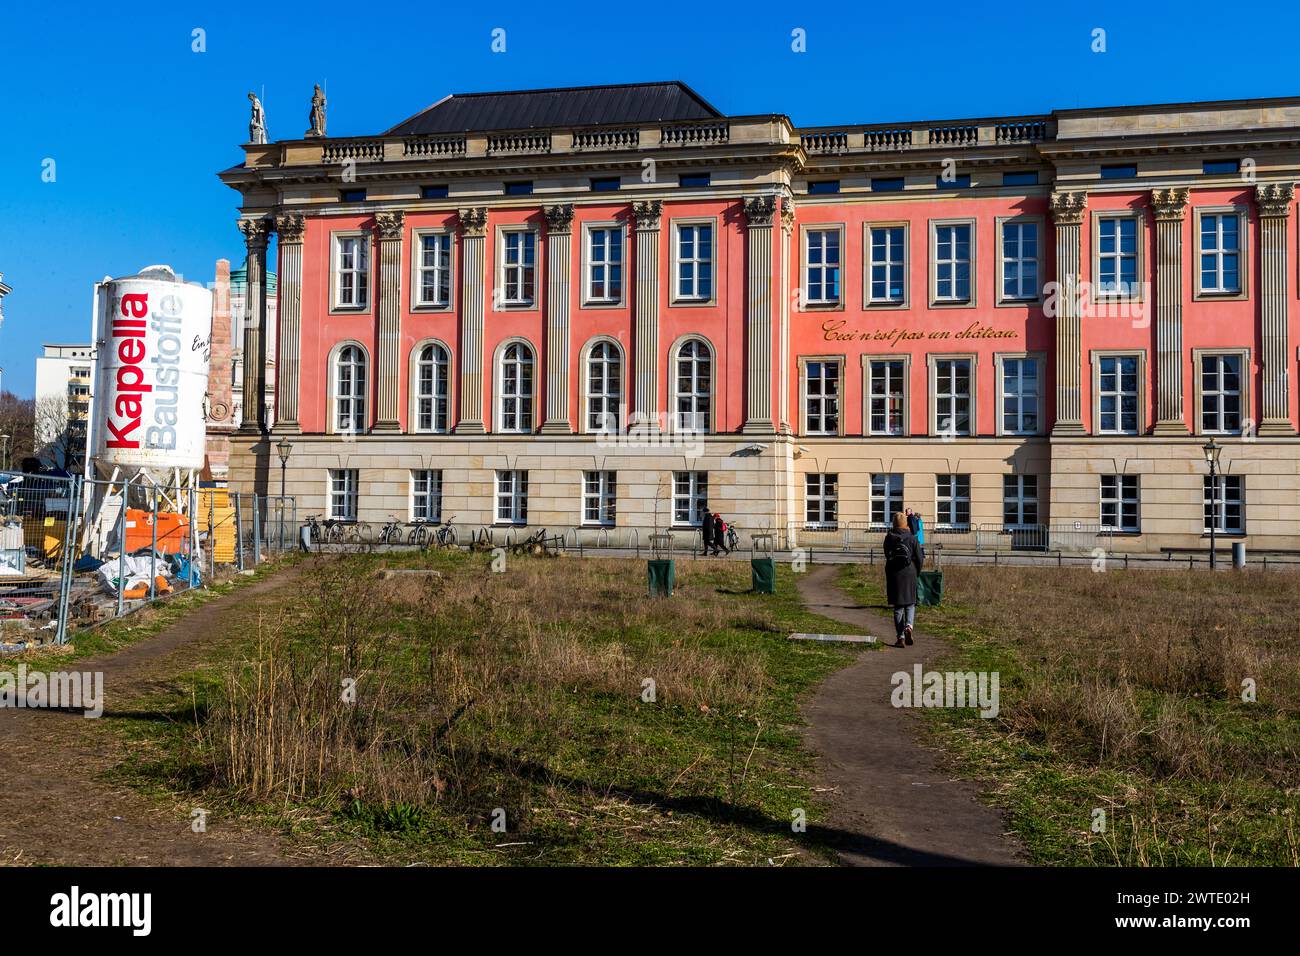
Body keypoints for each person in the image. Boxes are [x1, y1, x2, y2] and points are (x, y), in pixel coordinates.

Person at [884, 511, 924, 647]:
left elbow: (886, 555)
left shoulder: (889, 537)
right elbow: (919, 558)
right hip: (910, 572)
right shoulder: (912, 538)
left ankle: (900, 637)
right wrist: (917, 572)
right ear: (906, 523)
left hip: (895, 574)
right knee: (911, 604)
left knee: (898, 607)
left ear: (894, 523)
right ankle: (909, 626)